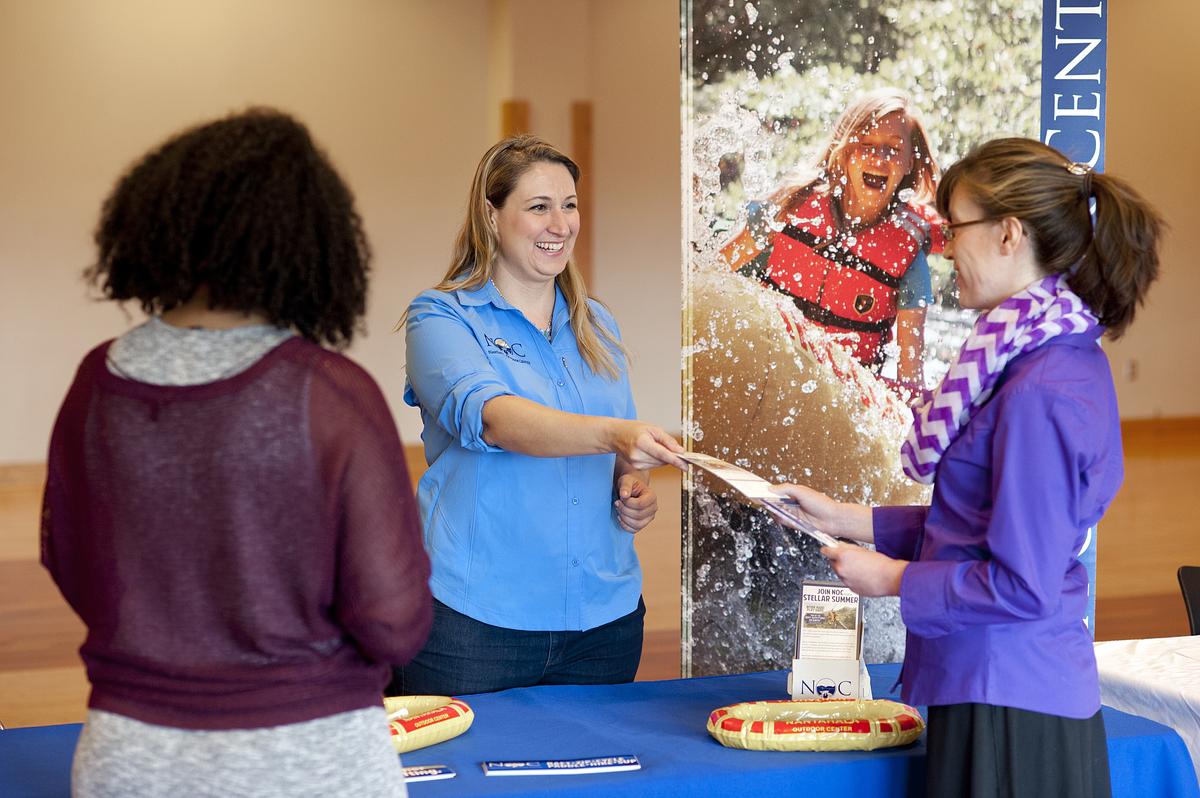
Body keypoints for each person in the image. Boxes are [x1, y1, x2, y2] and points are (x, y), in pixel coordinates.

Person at [41, 109, 432, 797]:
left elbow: (69, 561)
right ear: (313, 243)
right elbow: (393, 621)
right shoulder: (331, 394)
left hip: (127, 759)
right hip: (308, 760)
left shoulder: (97, 384)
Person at [772, 137, 1163, 798]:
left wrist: (894, 578)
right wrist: (849, 519)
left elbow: (1022, 583)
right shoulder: (1035, 353)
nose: (944, 249)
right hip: (998, 684)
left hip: (1011, 701)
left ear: (1009, 233)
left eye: (955, 229)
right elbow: (983, 522)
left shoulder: (1040, 386)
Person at [395, 134, 686, 696]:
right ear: (491, 214)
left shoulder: (597, 323)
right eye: (538, 207)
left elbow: (623, 452)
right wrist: (615, 434)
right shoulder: (441, 318)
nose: (561, 223)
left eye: (569, 205)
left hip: (603, 619)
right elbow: (494, 420)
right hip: (473, 623)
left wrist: (633, 485)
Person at [721, 87, 944, 390]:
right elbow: (712, 274)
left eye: (893, 148)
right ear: (845, 150)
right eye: (866, 143)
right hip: (763, 371)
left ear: (909, 162)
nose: (879, 158)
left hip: (840, 397)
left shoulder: (908, 257)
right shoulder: (789, 207)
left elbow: (911, 380)